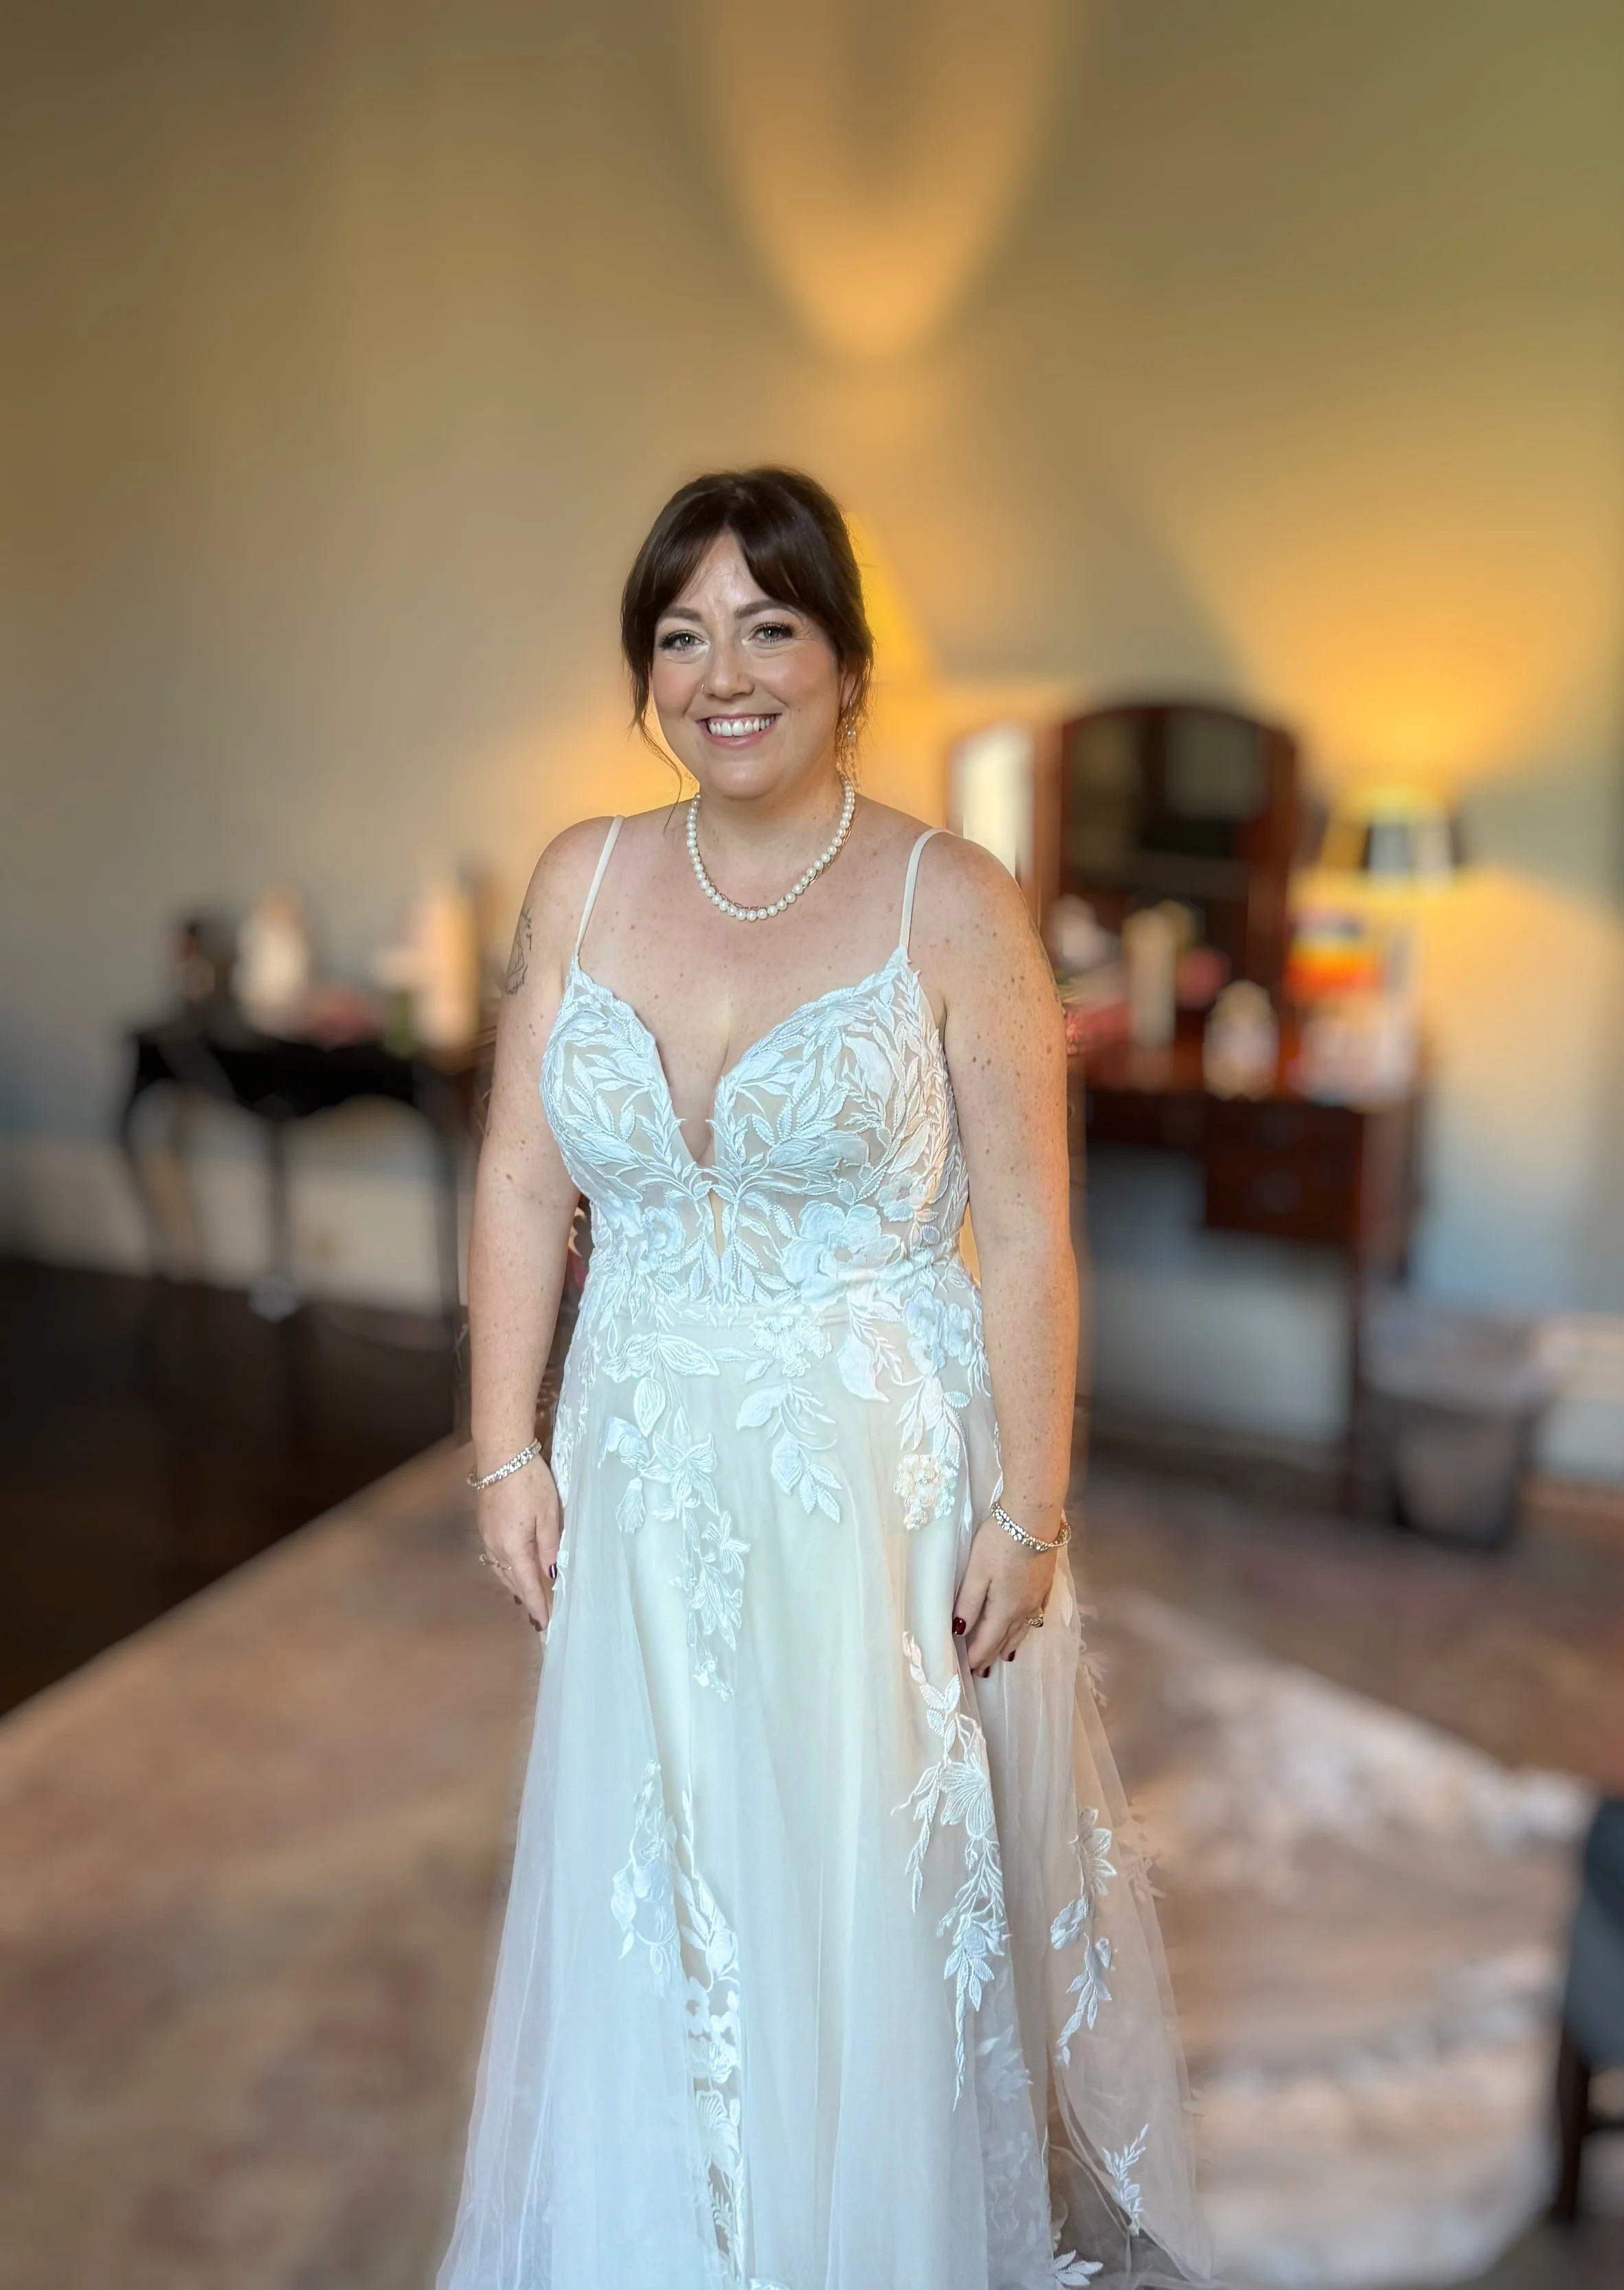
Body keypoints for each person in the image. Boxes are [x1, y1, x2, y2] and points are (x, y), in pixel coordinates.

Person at [438, 468, 1210, 2289]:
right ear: (646, 670)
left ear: (845, 663)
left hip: (871, 1478)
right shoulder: (582, 878)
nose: (724, 674)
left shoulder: (953, 901)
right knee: (660, 1861)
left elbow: (1029, 1236)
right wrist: (502, 1450)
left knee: (855, 1875)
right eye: (681, 635)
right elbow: (520, 1177)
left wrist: (1032, 1508)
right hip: (643, 1464)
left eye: (767, 627)